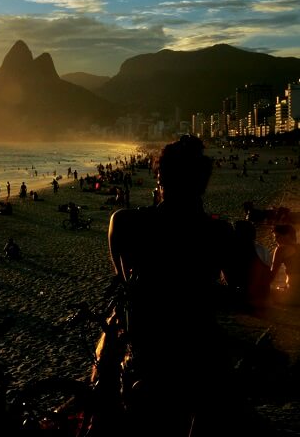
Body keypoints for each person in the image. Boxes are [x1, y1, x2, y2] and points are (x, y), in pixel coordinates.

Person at [107, 135, 251, 435]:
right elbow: (238, 286)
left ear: (159, 178)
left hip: (149, 344)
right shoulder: (218, 231)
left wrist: (129, 283)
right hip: (197, 344)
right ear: (203, 183)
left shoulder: (128, 222)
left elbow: (116, 238)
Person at [270, 223, 298, 304]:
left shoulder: (281, 249)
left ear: (288, 235)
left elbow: (271, 276)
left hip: (293, 297)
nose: (276, 240)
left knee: (265, 291)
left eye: (277, 236)